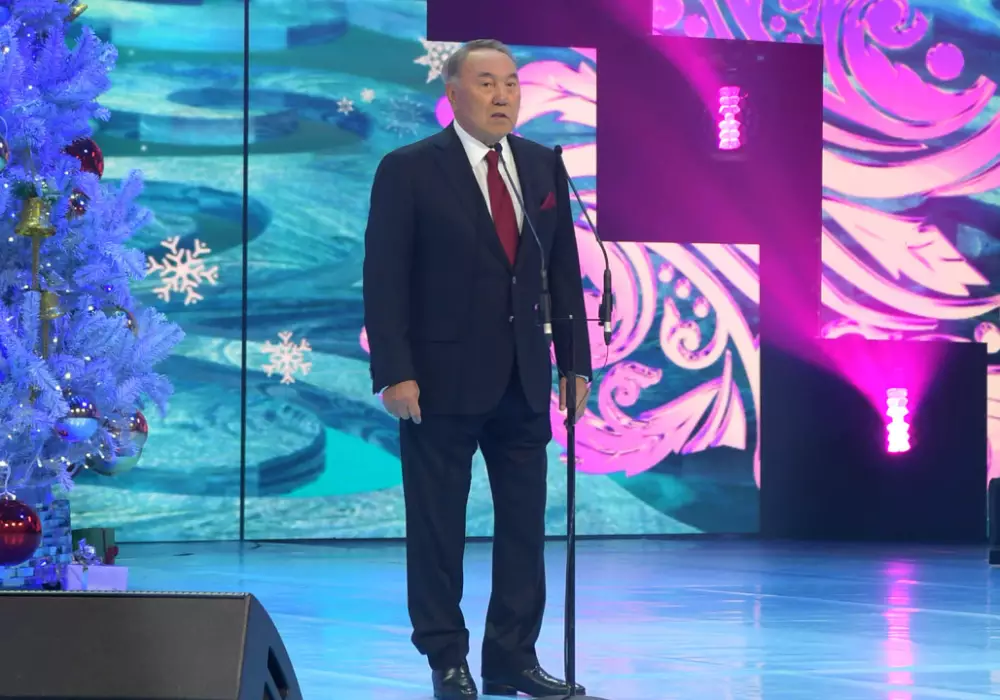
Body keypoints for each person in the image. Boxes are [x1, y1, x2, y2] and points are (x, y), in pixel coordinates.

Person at [363, 38, 592, 699]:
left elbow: (562, 273)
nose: (502, 95)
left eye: (511, 83)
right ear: (454, 93)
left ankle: (512, 657)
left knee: (523, 526)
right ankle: (447, 658)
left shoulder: (542, 166)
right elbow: (385, 276)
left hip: (524, 377)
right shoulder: (409, 169)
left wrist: (574, 363)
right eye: (487, 83)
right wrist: (394, 370)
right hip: (437, 382)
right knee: (438, 527)